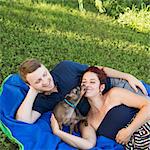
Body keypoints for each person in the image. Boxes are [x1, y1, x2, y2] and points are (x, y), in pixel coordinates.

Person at [16, 59, 147, 124]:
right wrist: (33, 92)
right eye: (38, 81)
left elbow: (97, 70)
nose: (45, 81)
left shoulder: (65, 68)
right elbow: (23, 121)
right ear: (30, 84)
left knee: (147, 108)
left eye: (45, 74)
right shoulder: (42, 100)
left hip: (113, 87)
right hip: (101, 109)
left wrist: (127, 76)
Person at [51, 66, 150, 149]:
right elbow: (88, 144)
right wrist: (58, 132)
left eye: (92, 82)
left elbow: (148, 105)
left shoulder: (115, 94)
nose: (87, 85)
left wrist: (129, 131)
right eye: (84, 82)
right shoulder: (87, 121)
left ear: (101, 87)